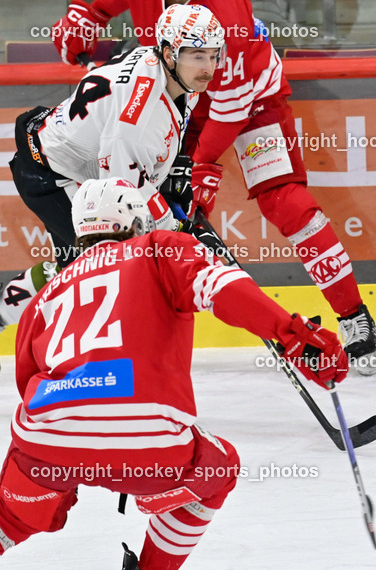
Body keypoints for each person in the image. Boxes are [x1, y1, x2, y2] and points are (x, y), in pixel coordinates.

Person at [49, 0, 376, 374]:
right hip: (177, 103)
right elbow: (99, 7)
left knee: (285, 202)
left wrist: (202, 164)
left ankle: (356, 320)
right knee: (152, 215)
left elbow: (232, 105)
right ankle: (136, 328)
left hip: (250, 103)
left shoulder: (226, 9)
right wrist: (82, 20)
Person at [0, 177, 347, 569]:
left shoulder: (44, 297)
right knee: (220, 468)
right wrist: (294, 336)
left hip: (47, 441)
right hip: (150, 443)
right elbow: (225, 289)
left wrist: (63, 459)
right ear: (136, 220)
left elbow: (26, 379)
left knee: (8, 520)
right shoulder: (159, 248)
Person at [10, 3, 223, 270]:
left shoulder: (174, 72)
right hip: (51, 174)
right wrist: (181, 229)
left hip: (79, 160)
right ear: (169, 54)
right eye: (199, 56)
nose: (209, 68)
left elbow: (160, 137)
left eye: (215, 56)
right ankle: (15, 303)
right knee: (98, 270)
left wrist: (172, 169)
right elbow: (122, 184)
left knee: (82, 272)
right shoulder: (141, 113)